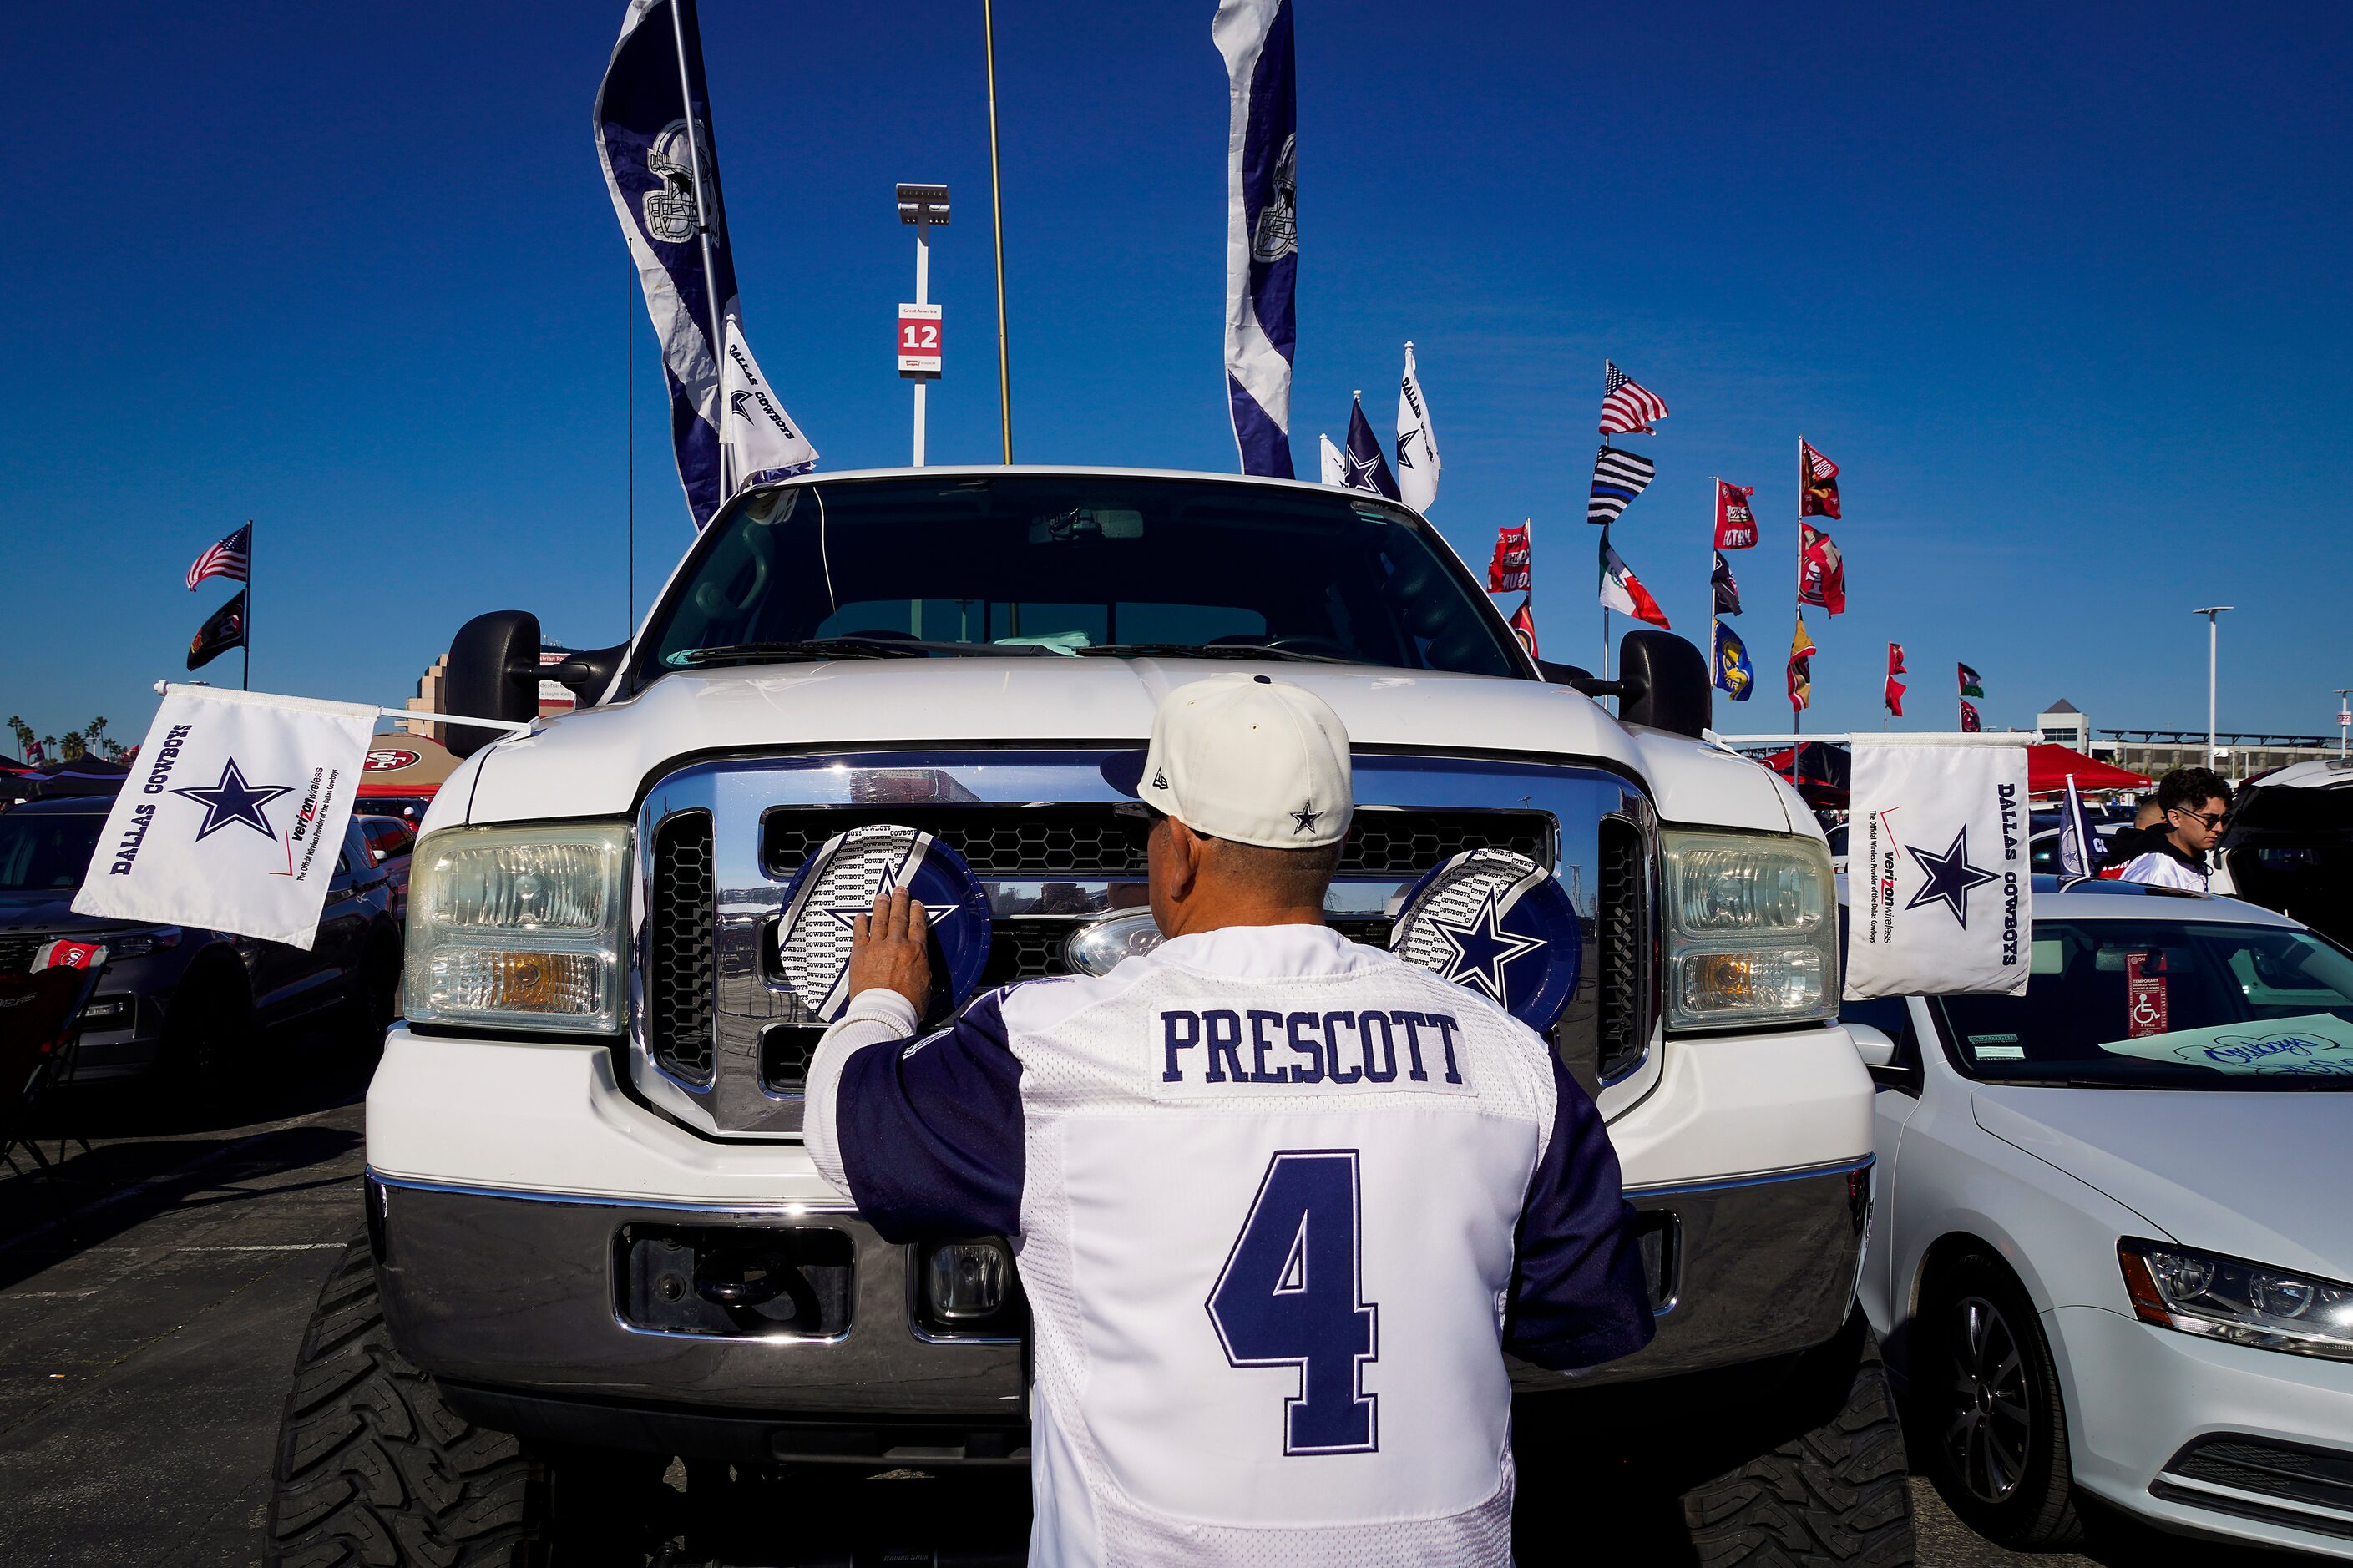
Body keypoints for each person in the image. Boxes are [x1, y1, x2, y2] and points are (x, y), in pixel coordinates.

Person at [806, 674, 1653, 1565]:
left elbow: (841, 1131)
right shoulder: (1510, 1061)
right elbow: (1577, 1322)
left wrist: (880, 1002)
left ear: (1176, 854)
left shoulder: (1050, 1049)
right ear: (1335, 847)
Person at [2112, 766, 2232, 889]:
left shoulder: (2190, 862)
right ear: (2175, 818)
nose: (2219, 828)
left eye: (2224, 819)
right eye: (2209, 819)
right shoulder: (2158, 872)